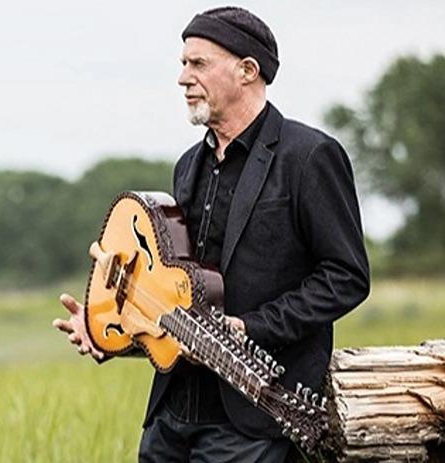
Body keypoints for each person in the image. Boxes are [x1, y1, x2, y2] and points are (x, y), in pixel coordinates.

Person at [53, 6, 370, 462]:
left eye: (198, 63)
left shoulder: (309, 156)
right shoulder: (187, 166)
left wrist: (250, 328)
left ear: (247, 70)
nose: (183, 77)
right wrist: (109, 328)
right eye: (182, 63)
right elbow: (176, 293)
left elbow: (346, 277)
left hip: (253, 421)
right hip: (171, 415)